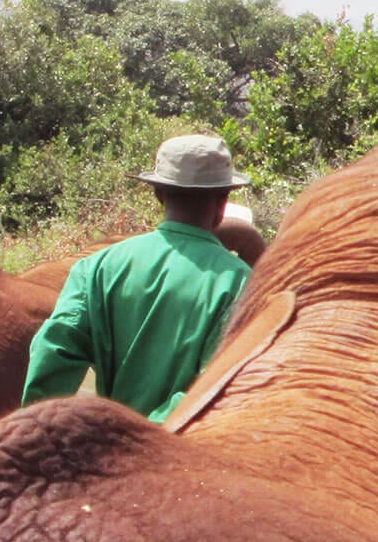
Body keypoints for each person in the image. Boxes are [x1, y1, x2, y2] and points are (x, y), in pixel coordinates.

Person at [22, 134, 255, 421]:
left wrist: (38, 430)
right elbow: (216, 385)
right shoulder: (242, 283)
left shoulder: (96, 267)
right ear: (223, 199)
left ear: (158, 194)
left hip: (110, 442)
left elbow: (53, 351)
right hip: (181, 450)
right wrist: (150, 433)